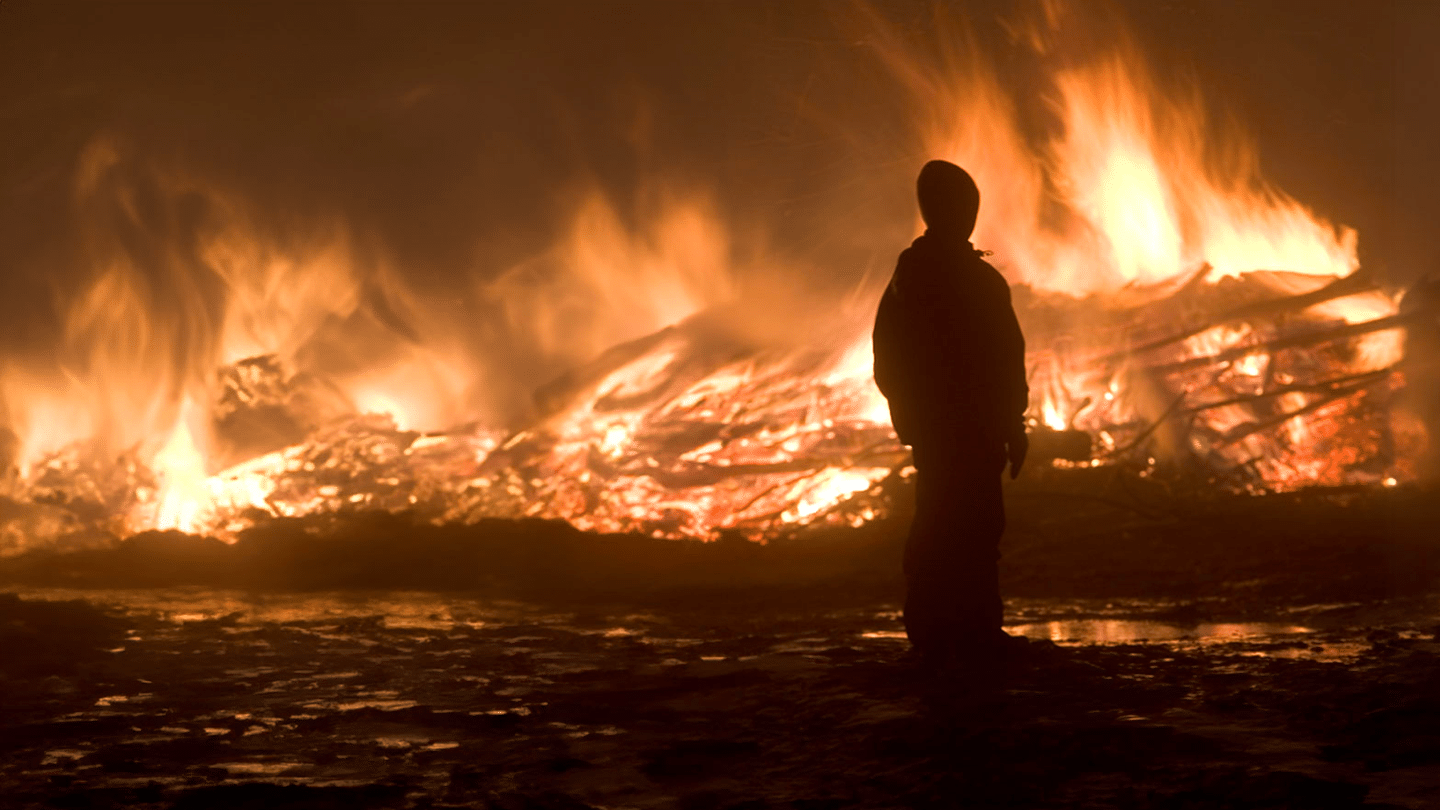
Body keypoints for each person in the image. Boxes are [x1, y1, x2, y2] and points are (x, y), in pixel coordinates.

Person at [872, 160, 1030, 670]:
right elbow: (895, 359)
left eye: (970, 205)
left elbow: (1006, 358)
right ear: (938, 210)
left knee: (978, 526)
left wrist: (1013, 424)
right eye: (959, 205)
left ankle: (974, 629)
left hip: (974, 430)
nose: (967, 214)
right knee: (946, 524)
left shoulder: (969, 279)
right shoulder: (921, 280)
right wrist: (917, 417)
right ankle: (937, 632)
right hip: (951, 430)